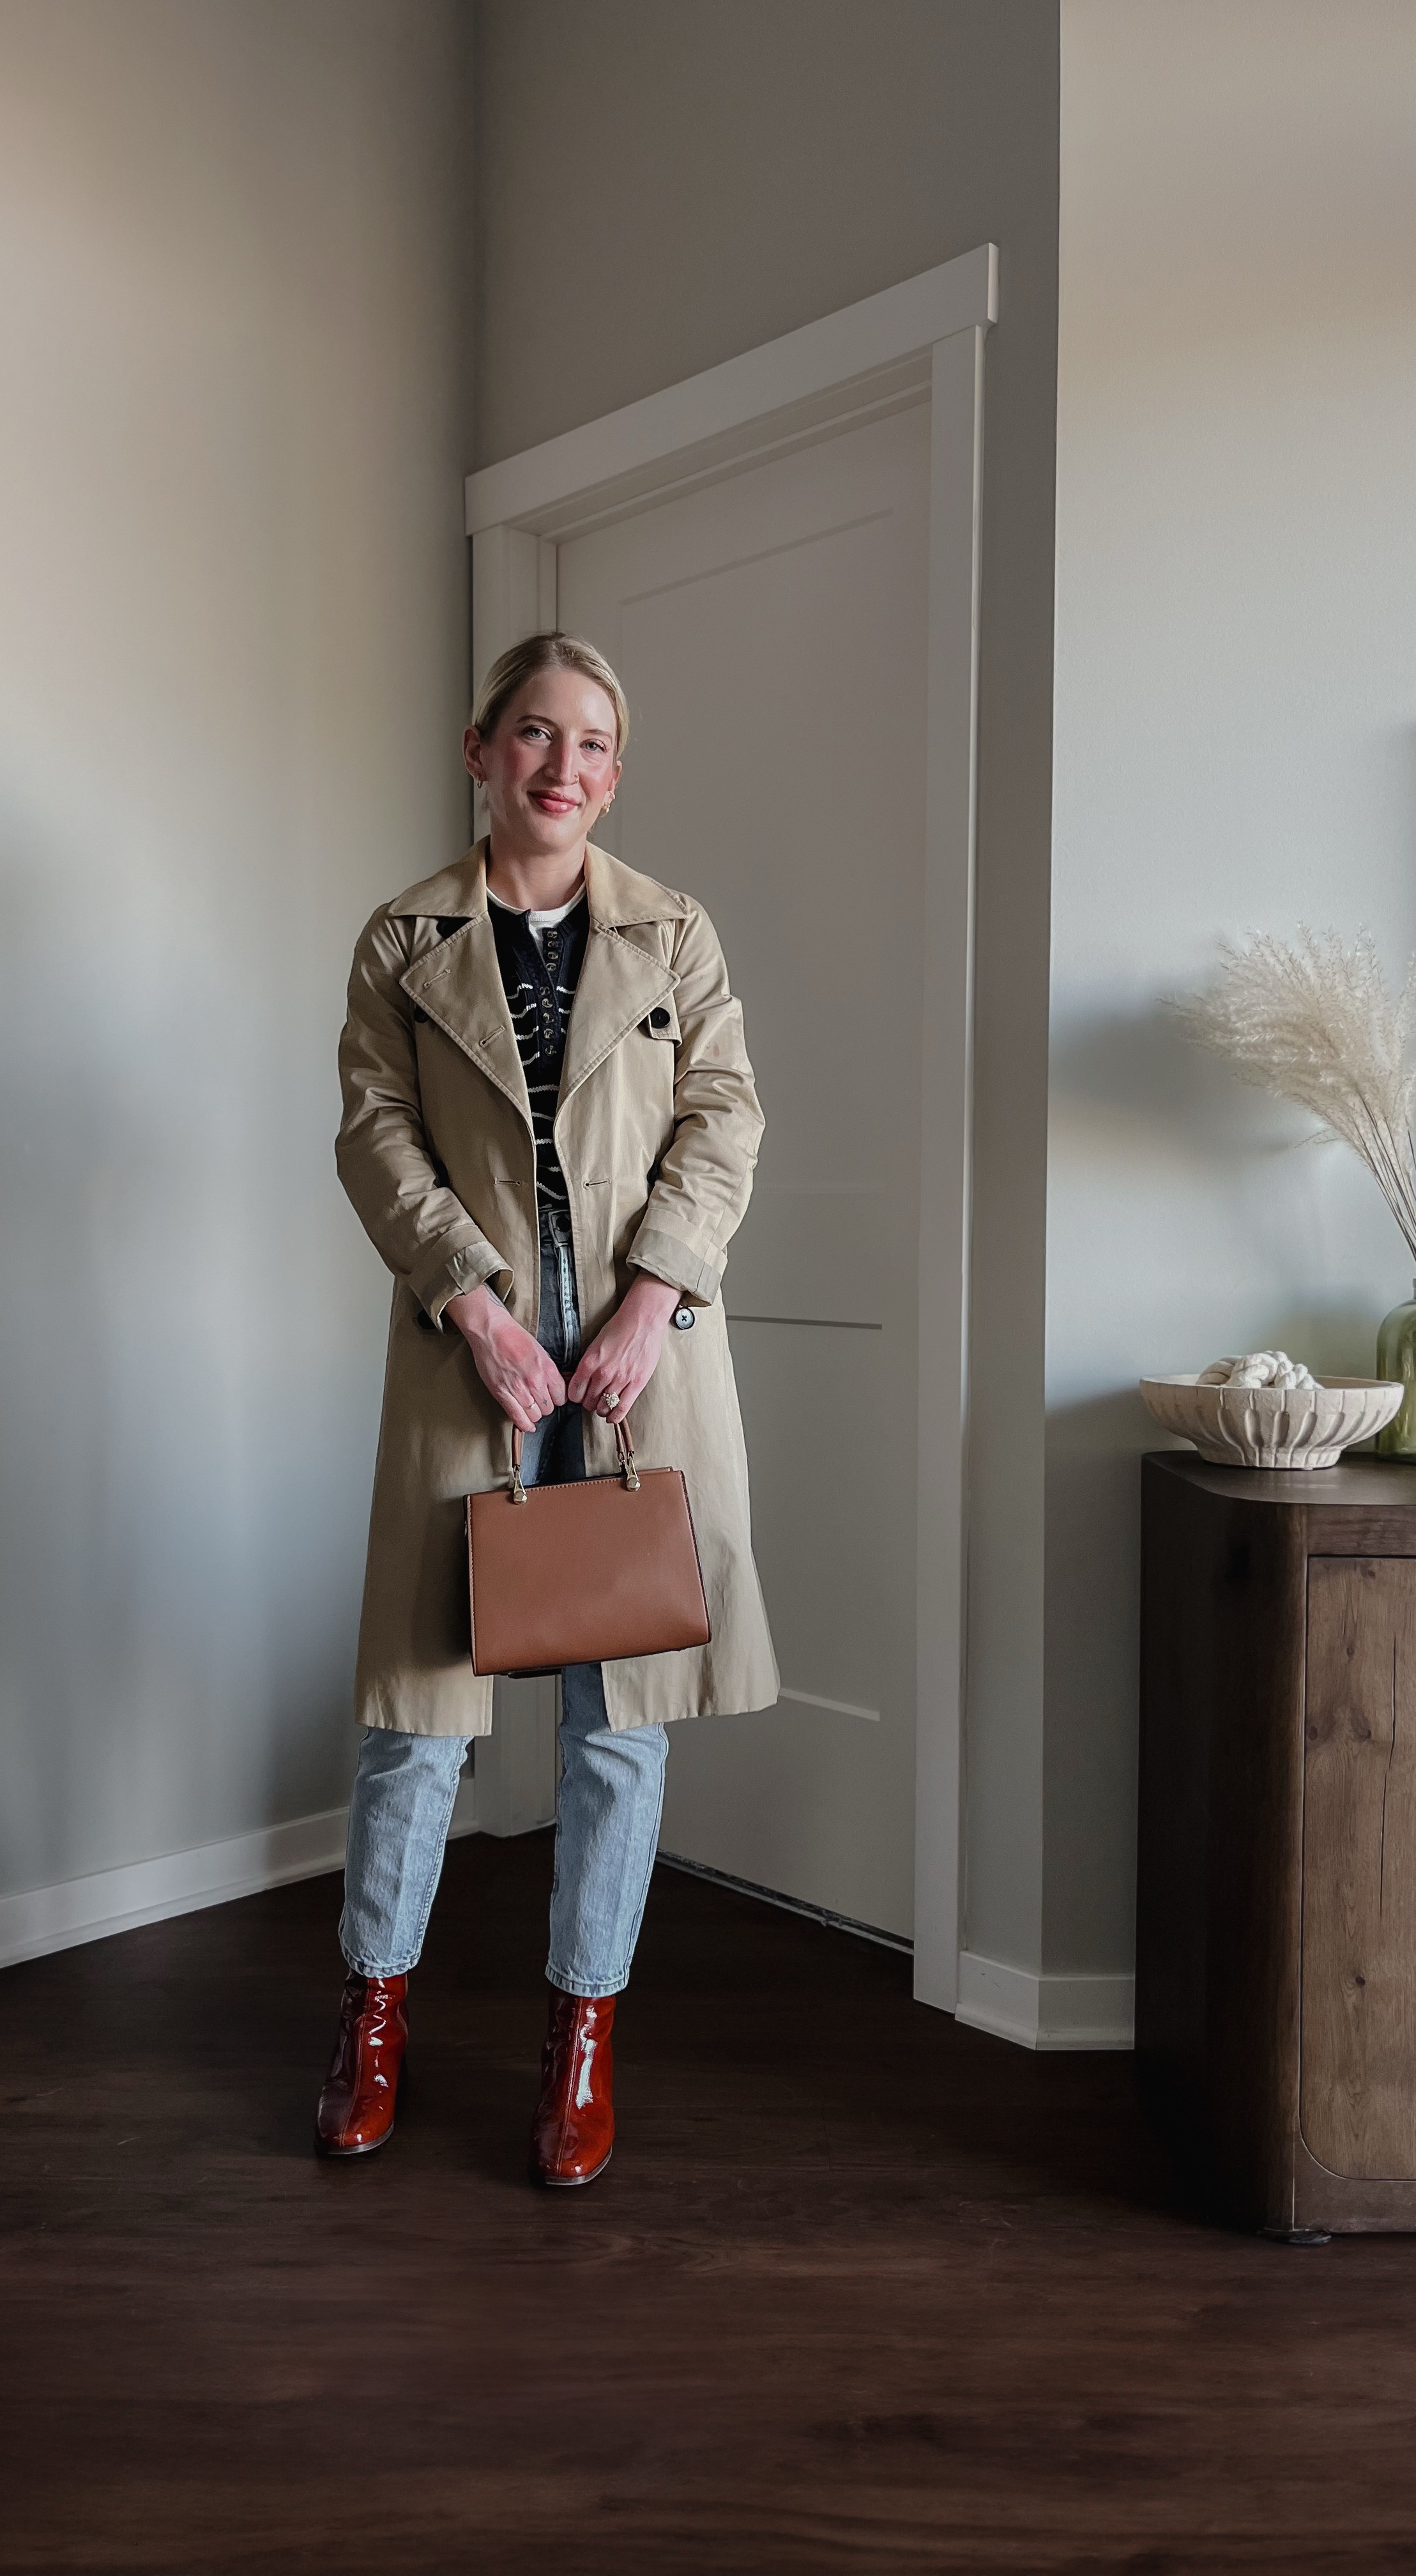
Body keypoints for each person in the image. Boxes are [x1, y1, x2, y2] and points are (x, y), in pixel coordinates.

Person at [315, 631, 778, 2184]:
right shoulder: (402, 936)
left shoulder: (677, 933)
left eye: (591, 743)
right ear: (479, 749)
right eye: (533, 733)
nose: (561, 766)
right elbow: (376, 1132)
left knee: (616, 1721)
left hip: (640, 1362)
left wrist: (654, 1298)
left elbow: (724, 1124)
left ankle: (581, 2044)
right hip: (476, 1351)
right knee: (418, 1721)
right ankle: (371, 2025)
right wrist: (471, 1302)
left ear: (615, 772)